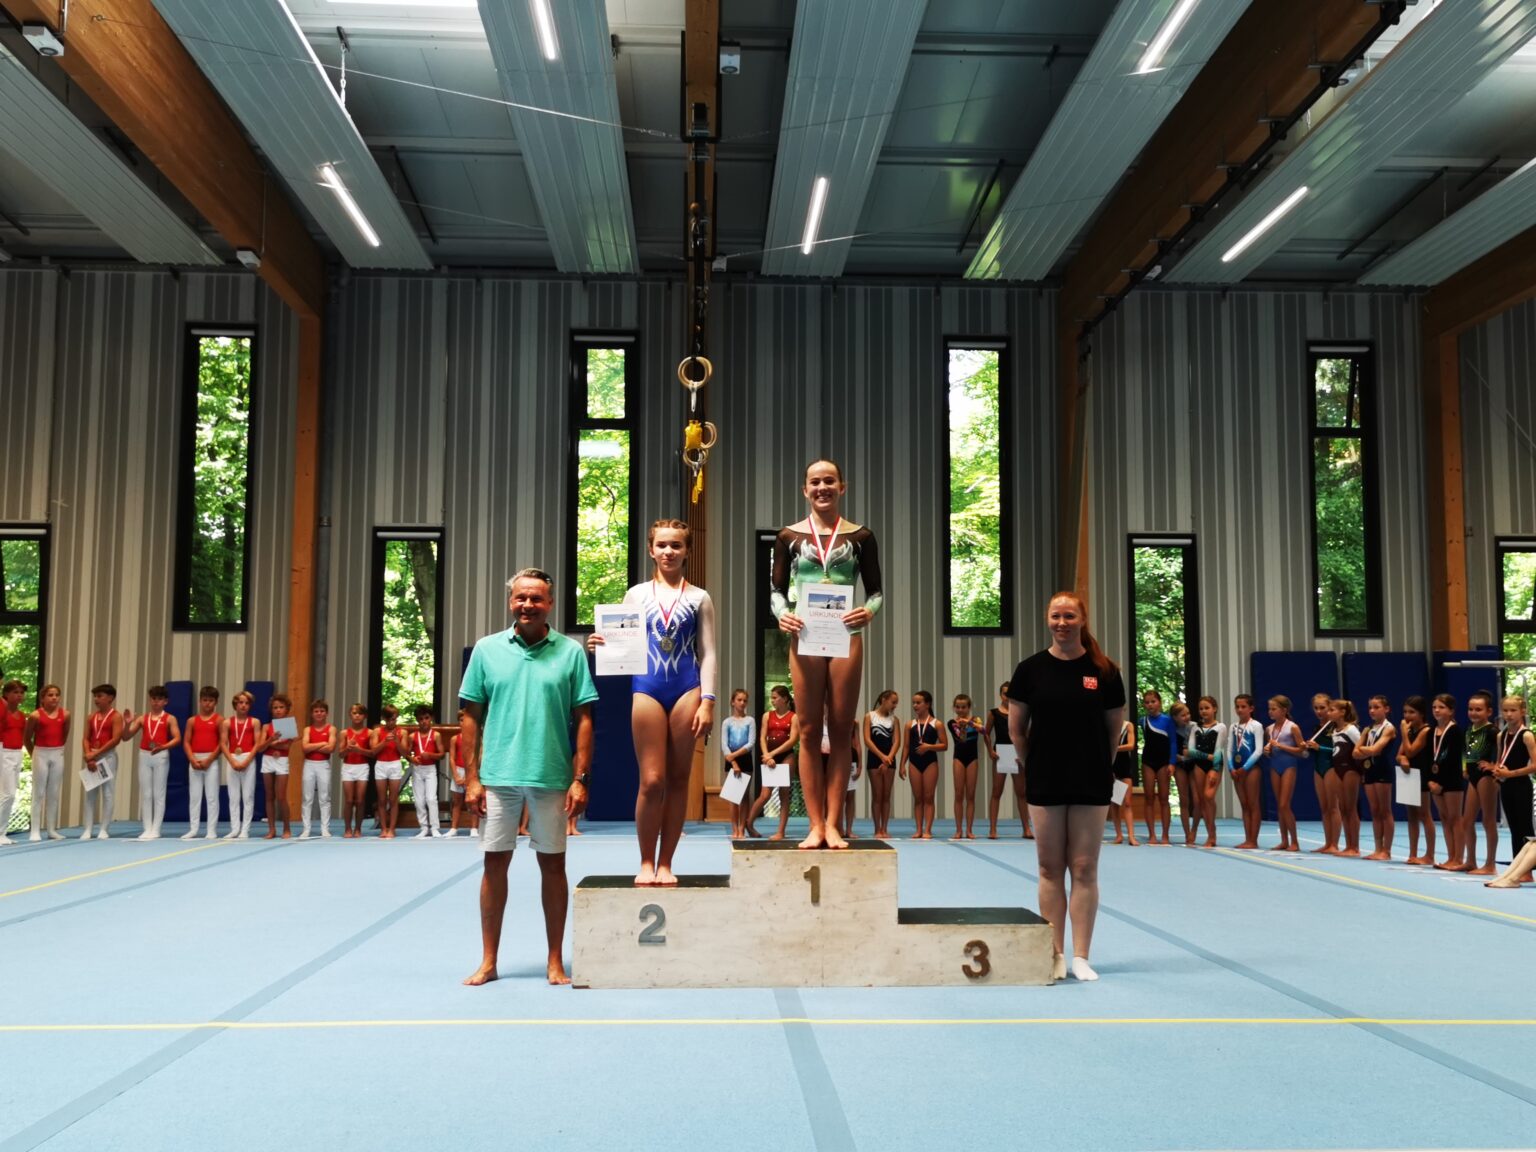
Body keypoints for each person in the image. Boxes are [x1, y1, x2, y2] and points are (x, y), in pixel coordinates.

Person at [460, 567, 597, 987]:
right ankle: (488, 961)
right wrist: (471, 777)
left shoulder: (571, 653)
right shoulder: (486, 650)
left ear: (550, 604)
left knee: (553, 866)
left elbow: (585, 717)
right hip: (498, 776)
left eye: (537, 598)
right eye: (521, 597)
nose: (528, 605)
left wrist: (580, 777)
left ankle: (555, 961)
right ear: (510, 602)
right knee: (494, 863)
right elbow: (469, 715)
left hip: (552, 777)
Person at [588, 519, 717, 886]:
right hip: (646, 687)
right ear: (651, 549)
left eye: (676, 545)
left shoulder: (699, 597)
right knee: (652, 781)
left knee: (678, 780)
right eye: (662, 545)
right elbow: (622, 640)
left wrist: (707, 700)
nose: (669, 552)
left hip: (687, 688)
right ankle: (646, 861)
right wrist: (601, 644)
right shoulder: (636, 594)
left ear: (687, 551)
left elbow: (707, 653)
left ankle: (666, 863)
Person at [1009, 592, 1126, 982]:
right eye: (1056, 616)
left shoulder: (1105, 671)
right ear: (1048, 620)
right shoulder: (1030, 670)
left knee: (1084, 866)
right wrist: (1034, 764)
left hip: (1091, 777)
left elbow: (1114, 730)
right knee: (1048, 866)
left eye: (1069, 616)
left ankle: (1082, 956)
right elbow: (1016, 729)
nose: (1062, 623)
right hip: (1045, 776)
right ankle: (1055, 952)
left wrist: (1099, 766)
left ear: (1082, 620)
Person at [771, 459, 883, 850]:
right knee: (806, 731)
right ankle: (814, 824)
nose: (823, 487)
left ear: (842, 487)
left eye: (829, 481)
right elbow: (776, 591)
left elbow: (875, 592)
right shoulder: (787, 536)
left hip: (845, 635)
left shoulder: (862, 536)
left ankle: (834, 823)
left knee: (840, 731)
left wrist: (868, 612)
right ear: (805, 489)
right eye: (815, 482)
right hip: (805, 635)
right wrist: (783, 614)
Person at [1491, 695, 1536, 882]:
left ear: (1523, 711)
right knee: (1514, 829)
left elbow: (1535, 765)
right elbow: (1501, 760)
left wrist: (1511, 774)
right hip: (1507, 786)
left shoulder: (1527, 735)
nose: (1508, 714)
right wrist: (1497, 770)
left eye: (1513, 710)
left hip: (1521, 785)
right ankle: (1517, 867)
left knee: (1525, 828)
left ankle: (1527, 871)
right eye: (1505, 710)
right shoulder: (1501, 735)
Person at [748, 686, 799, 840]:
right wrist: (766, 755)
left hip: (785, 756)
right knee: (765, 794)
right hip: (769, 756)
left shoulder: (793, 717)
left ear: (785, 699)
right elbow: (762, 737)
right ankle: (749, 823)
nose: (772, 700)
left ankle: (780, 832)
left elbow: (793, 740)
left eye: (775, 697)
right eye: (771, 697)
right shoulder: (767, 716)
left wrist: (773, 754)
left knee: (784, 795)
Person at [1457, 690, 1499, 874]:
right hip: (1473, 775)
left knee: (1488, 820)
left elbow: (1502, 752)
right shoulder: (1469, 729)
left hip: (1486, 777)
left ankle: (1490, 864)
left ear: (1489, 711)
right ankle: (1471, 860)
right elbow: (1466, 751)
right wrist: (1465, 767)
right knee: (1467, 821)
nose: (1473, 713)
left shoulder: (1493, 731)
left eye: (1478, 709)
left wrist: (1494, 765)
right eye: (1471, 709)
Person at [25, 683, 68, 841]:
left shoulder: (65, 715)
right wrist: (34, 754)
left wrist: (57, 750)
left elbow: (64, 735)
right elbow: (27, 738)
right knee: (39, 792)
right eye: (50, 695)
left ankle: (51, 829)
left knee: (54, 793)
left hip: (57, 753)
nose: (54, 697)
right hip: (40, 753)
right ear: (42, 698)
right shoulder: (36, 716)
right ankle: (35, 830)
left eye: (57, 694)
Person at [1355, 696, 1396, 861]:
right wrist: (1368, 749)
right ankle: (1378, 848)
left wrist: (1364, 749)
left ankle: (1387, 850)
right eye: (1370, 707)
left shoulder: (1389, 728)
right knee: (1374, 811)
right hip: (1369, 770)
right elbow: (1354, 753)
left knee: (1385, 811)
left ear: (1386, 709)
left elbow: (1377, 749)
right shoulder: (1368, 729)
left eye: (1376, 707)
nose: (1372, 710)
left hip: (1383, 770)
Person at [80, 683, 123, 839]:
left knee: (108, 793)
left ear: (110, 698)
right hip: (92, 756)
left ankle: (104, 828)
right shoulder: (91, 717)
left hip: (108, 757)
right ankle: (88, 829)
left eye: (100, 696)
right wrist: (88, 754)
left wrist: (96, 753)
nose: (96, 699)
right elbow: (85, 738)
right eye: (95, 696)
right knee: (90, 793)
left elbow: (116, 739)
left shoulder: (116, 716)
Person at [1397, 696, 1437, 865]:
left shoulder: (1426, 731)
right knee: (1411, 815)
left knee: (1424, 814)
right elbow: (1400, 754)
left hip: (1423, 775)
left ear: (1421, 714)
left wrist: (1404, 733)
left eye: (1412, 712)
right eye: (1405, 712)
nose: (1407, 716)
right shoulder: (1411, 730)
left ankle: (1429, 854)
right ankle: (1413, 852)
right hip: (1409, 775)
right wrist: (1402, 760)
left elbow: (1411, 751)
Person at [986, 683, 1029, 839]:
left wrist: (1023, 752)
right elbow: (986, 732)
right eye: (1005, 693)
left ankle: (1026, 829)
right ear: (1000, 695)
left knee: (1021, 793)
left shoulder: (1020, 713)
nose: (1007, 696)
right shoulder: (994, 713)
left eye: (1010, 694)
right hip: (1001, 753)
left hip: (1016, 754)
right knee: (997, 792)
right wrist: (990, 750)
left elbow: (1026, 733)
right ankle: (992, 829)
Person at [181, 686, 224, 841]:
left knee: (212, 796)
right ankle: (193, 829)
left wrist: (210, 759)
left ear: (216, 702)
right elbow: (186, 741)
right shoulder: (192, 721)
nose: (207, 704)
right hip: (195, 759)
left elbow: (222, 743)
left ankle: (211, 830)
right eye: (205, 700)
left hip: (211, 761)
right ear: (200, 701)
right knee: (195, 796)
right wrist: (192, 759)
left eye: (211, 701)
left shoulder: (219, 720)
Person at [1428, 693, 1464, 871]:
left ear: (1451, 711)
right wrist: (1430, 780)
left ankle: (1458, 857)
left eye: (1441, 707)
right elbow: (1429, 758)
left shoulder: (1455, 731)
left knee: (1454, 818)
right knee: (1444, 818)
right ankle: (1450, 856)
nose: (1436, 710)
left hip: (1451, 781)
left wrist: (1441, 782)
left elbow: (1452, 759)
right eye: (1434, 707)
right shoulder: (1432, 731)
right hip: (1435, 781)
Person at [904, 690, 946, 840]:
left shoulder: (937, 724)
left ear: (927, 704)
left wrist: (929, 747)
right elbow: (906, 747)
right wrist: (902, 764)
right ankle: (918, 829)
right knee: (918, 798)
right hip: (914, 762)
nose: (915, 705)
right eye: (914, 702)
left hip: (930, 763)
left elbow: (944, 745)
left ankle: (927, 829)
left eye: (918, 702)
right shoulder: (910, 725)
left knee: (928, 797)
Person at [1264, 696, 1303, 852]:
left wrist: (1280, 745)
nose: (1270, 712)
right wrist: (1267, 751)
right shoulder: (1269, 729)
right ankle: (1284, 841)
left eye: (1274, 709)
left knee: (1284, 804)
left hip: (1289, 766)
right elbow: (1271, 750)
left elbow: (1302, 750)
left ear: (1284, 710)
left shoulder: (1293, 727)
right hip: (1274, 765)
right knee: (1279, 806)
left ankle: (1295, 842)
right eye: (1269, 709)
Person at [1138, 690, 1176, 845]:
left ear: (1159, 702)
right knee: (1148, 798)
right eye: (1147, 702)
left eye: (1153, 701)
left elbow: (1173, 742)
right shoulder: (1142, 720)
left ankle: (1165, 835)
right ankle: (1152, 835)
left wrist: (1172, 763)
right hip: (1148, 761)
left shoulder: (1167, 720)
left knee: (1164, 798)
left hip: (1163, 762)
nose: (1150, 705)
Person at [1227, 694, 1265, 849]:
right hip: (1237, 770)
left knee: (1253, 804)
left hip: (1251, 769)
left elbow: (1259, 750)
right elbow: (1229, 749)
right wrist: (1231, 767)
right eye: (1237, 706)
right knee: (1244, 804)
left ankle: (1253, 840)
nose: (1240, 709)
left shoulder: (1256, 725)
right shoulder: (1233, 727)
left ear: (1251, 708)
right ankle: (1247, 838)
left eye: (1243, 706)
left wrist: (1245, 768)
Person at [1303, 693, 1339, 854]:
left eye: (1322, 708)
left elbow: (1339, 751)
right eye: (1316, 708)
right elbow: (1312, 752)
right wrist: (1307, 749)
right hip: (1318, 768)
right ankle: (1327, 842)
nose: (1319, 711)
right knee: (1324, 807)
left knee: (1333, 807)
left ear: (1329, 707)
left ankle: (1335, 844)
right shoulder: (1317, 728)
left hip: (1331, 767)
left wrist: (1319, 748)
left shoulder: (1336, 727)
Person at [223, 690, 262, 840]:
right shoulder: (227, 722)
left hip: (248, 757)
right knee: (233, 796)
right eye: (240, 702)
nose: (243, 705)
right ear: (235, 704)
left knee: (248, 796)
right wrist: (231, 760)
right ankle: (234, 829)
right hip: (232, 757)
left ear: (250, 706)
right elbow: (223, 743)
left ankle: (245, 830)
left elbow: (257, 743)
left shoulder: (254, 722)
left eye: (246, 703)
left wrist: (248, 760)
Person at [863, 690, 901, 840]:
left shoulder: (894, 720)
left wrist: (889, 758)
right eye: (893, 702)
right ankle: (877, 828)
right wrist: (882, 757)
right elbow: (867, 739)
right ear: (883, 699)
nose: (895, 705)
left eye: (896, 702)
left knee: (886, 795)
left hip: (889, 759)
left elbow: (897, 741)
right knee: (877, 795)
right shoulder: (870, 716)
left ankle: (885, 828)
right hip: (875, 758)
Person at [1328, 699, 1363, 857]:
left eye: (1332, 710)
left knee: (1351, 808)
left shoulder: (1351, 730)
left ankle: (1354, 847)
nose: (1329, 713)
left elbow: (1361, 749)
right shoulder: (1335, 730)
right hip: (1338, 769)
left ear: (1342, 712)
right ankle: (1348, 845)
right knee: (1343, 808)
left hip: (1350, 770)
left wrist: (1362, 771)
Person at [948, 694, 986, 840]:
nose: (961, 709)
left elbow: (983, 731)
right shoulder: (952, 722)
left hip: (972, 759)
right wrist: (962, 726)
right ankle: (958, 830)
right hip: (958, 758)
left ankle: (969, 830)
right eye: (957, 707)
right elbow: (961, 739)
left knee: (970, 795)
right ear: (954, 708)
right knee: (959, 794)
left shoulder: (976, 720)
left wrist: (970, 724)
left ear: (969, 707)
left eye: (964, 707)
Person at [1189, 696, 1225, 848]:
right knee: (1201, 800)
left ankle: (1212, 831)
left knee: (1208, 796)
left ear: (1214, 709)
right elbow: (1190, 751)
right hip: (1199, 765)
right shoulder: (1195, 728)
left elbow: (1218, 749)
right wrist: (1205, 756)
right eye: (1201, 709)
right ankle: (1207, 832)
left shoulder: (1220, 727)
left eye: (1207, 708)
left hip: (1215, 765)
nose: (1204, 711)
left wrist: (1215, 769)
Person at [720, 690, 756, 840]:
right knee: (733, 796)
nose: (742, 703)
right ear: (733, 702)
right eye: (739, 700)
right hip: (731, 760)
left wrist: (734, 756)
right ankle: (734, 828)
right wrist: (733, 762)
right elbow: (724, 744)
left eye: (744, 700)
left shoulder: (750, 720)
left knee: (744, 796)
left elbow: (751, 742)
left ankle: (742, 828)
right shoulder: (727, 722)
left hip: (745, 757)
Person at [299, 700, 336, 839]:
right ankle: (306, 829)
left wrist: (313, 745)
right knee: (307, 797)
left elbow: (331, 748)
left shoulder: (331, 729)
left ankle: (325, 828)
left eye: (321, 711)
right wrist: (322, 743)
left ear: (326, 713)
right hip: (309, 764)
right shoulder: (307, 729)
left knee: (324, 797)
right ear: (312, 714)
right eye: (316, 711)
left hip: (323, 764)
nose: (319, 713)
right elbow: (305, 748)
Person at [259, 693, 293, 839]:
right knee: (269, 796)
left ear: (287, 710)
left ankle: (287, 828)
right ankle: (271, 829)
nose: (278, 710)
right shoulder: (266, 727)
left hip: (282, 760)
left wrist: (271, 743)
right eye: (275, 708)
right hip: (267, 759)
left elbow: (286, 746)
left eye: (281, 707)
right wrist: (272, 740)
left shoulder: (288, 725)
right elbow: (260, 748)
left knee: (281, 796)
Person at [408, 706, 445, 839]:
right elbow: (407, 754)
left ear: (431, 719)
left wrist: (430, 755)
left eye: (426, 718)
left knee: (431, 799)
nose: (424, 721)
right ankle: (423, 827)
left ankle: (435, 828)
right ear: (417, 720)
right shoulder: (413, 736)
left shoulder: (436, 735)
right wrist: (412, 758)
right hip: (418, 769)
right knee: (419, 801)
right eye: (421, 719)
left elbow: (441, 755)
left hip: (430, 770)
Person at [338, 704, 373, 839]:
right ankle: (347, 828)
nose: (357, 715)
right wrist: (348, 748)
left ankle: (358, 828)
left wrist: (359, 750)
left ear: (364, 716)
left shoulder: (369, 733)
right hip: (348, 767)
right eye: (354, 713)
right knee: (348, 800)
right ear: (350, 715)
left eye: (360, 713)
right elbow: (340, 755)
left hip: (362, 767)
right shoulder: (344, 733)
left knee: (359, 800)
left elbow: (372, 753)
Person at [0, 680, 28, 845]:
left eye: (21, 693)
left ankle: (3, 831)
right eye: (15, 692)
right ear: (6, 695)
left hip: (17, 753)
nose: (19, 695)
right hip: (5, 753)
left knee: (11, 795)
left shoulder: (22, 715)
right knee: (7, 794)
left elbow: (23, 736)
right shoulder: (3, 712)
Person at [446, 710, 479, 839]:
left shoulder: (476, 738)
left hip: (471, 770)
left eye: (466, 720)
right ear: (458, 722)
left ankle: (474, 828)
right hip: (459, 771)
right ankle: (454, 828)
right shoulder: (455, 739)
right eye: (461, 720)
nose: (463, 723)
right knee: (457, 801)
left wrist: (472, 773)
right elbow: (452, 758)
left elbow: (479, 756)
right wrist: (456, 775)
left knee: (473, 801)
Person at [1169, 700, 1196, 845]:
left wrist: (1189, 755)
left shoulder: (1194, 727)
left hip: (1193, 764)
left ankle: (1194, 830)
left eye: (1188, 714)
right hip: (1180, 765)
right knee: (1184, 799)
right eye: (1182, 715)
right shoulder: (1171, 729)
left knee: (1197, 799)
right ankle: (1187, 834)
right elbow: (1169, 748)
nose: (1186, 717)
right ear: (1175, 718)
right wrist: (1176, 757)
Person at [1109, 718, 1137, 846]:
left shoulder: (1128, 725)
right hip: (1112, 766)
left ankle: (1131, 836)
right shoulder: (1108, 726)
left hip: (1125, 766)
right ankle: (1119, 835)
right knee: (1115, 803)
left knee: (1127, 802)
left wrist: (1115, 748)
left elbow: (1131, 745)